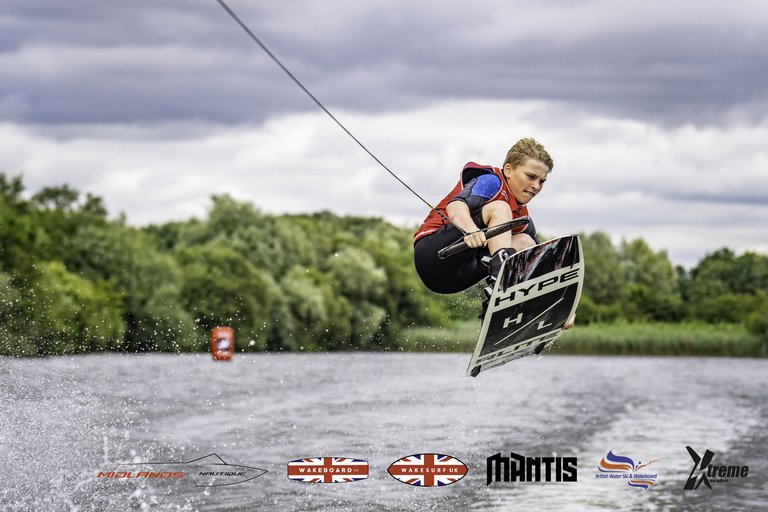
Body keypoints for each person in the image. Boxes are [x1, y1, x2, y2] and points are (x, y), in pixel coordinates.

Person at [413, 137, 574, 327]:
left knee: (526, 243)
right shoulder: (491, 181)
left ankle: (504, 306)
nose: (536, 186)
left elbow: (538, 265)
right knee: (500, 208)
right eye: (531, 177)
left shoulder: (522, 218)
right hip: (433, 255)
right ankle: (504, 284)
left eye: (542, 181)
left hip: (452, 280)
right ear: (508, 170)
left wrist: (562, 307)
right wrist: (471, 230)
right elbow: (456, 207)